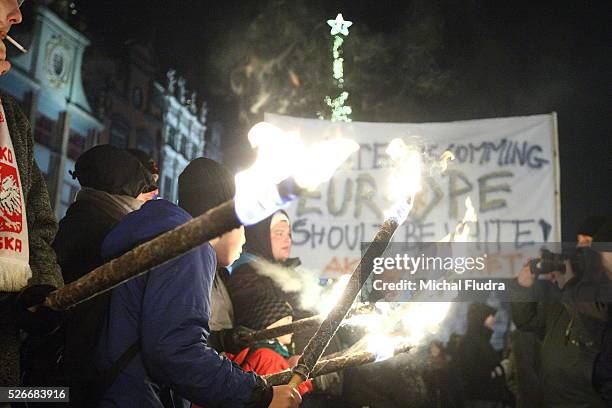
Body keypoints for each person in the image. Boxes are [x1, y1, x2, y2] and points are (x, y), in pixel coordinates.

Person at [95, 157, 301, 407]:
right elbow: (175, 352)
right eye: (242, 226)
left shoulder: (160, 234)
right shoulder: (190, 247)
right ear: (224, 220)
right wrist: (260, 395)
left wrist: (219, 340)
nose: (245, 239)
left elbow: (157, 329)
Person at [19, 145, 153, 400]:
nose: (145, 203)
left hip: (48, 368)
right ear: (124, 193)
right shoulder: (112, 235)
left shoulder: (78, 220)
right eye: (142, 193)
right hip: (70, 376)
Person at [0, 0, 64, 387]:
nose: (18, 16)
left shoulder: (11, 116)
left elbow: (37, 221)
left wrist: (43, 289)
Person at [512, 242, 609, 408]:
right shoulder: (560, 301)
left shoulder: (597, 300)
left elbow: (594, 318)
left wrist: (569, 283)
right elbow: (526, 321)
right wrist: (523, 288)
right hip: (555, 400)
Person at [456, 303, 506, 408]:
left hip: (490, 397)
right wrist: (493, 372)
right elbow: (469, 371)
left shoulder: (483, 340)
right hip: (480, 398)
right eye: (490, 316)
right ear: (480, 317)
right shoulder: (469, 341)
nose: (493, 320)